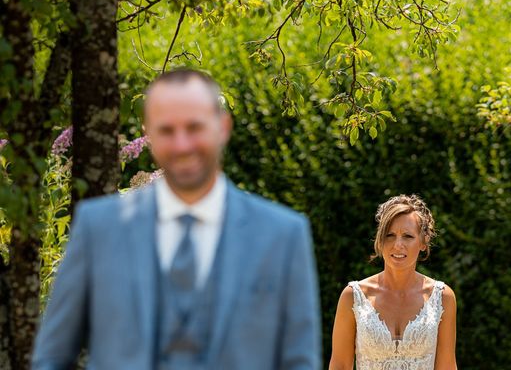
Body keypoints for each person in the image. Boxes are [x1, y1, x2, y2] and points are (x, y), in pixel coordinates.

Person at [32, 69, 321, 370]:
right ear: (149, 133)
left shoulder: (283, 235)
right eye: (167, 130)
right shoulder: (99, 228)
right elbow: (51, 357)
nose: (182, 145)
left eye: (194, 128)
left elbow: (299, 361)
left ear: (222, 127)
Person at [329, 195, 457, 370]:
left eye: (407, 236)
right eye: (389, 235)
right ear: (380, 241)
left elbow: (447, 367)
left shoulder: (442, 297)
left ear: (423, 242)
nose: (398, 245)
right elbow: (340, 365)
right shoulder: (353, 296)